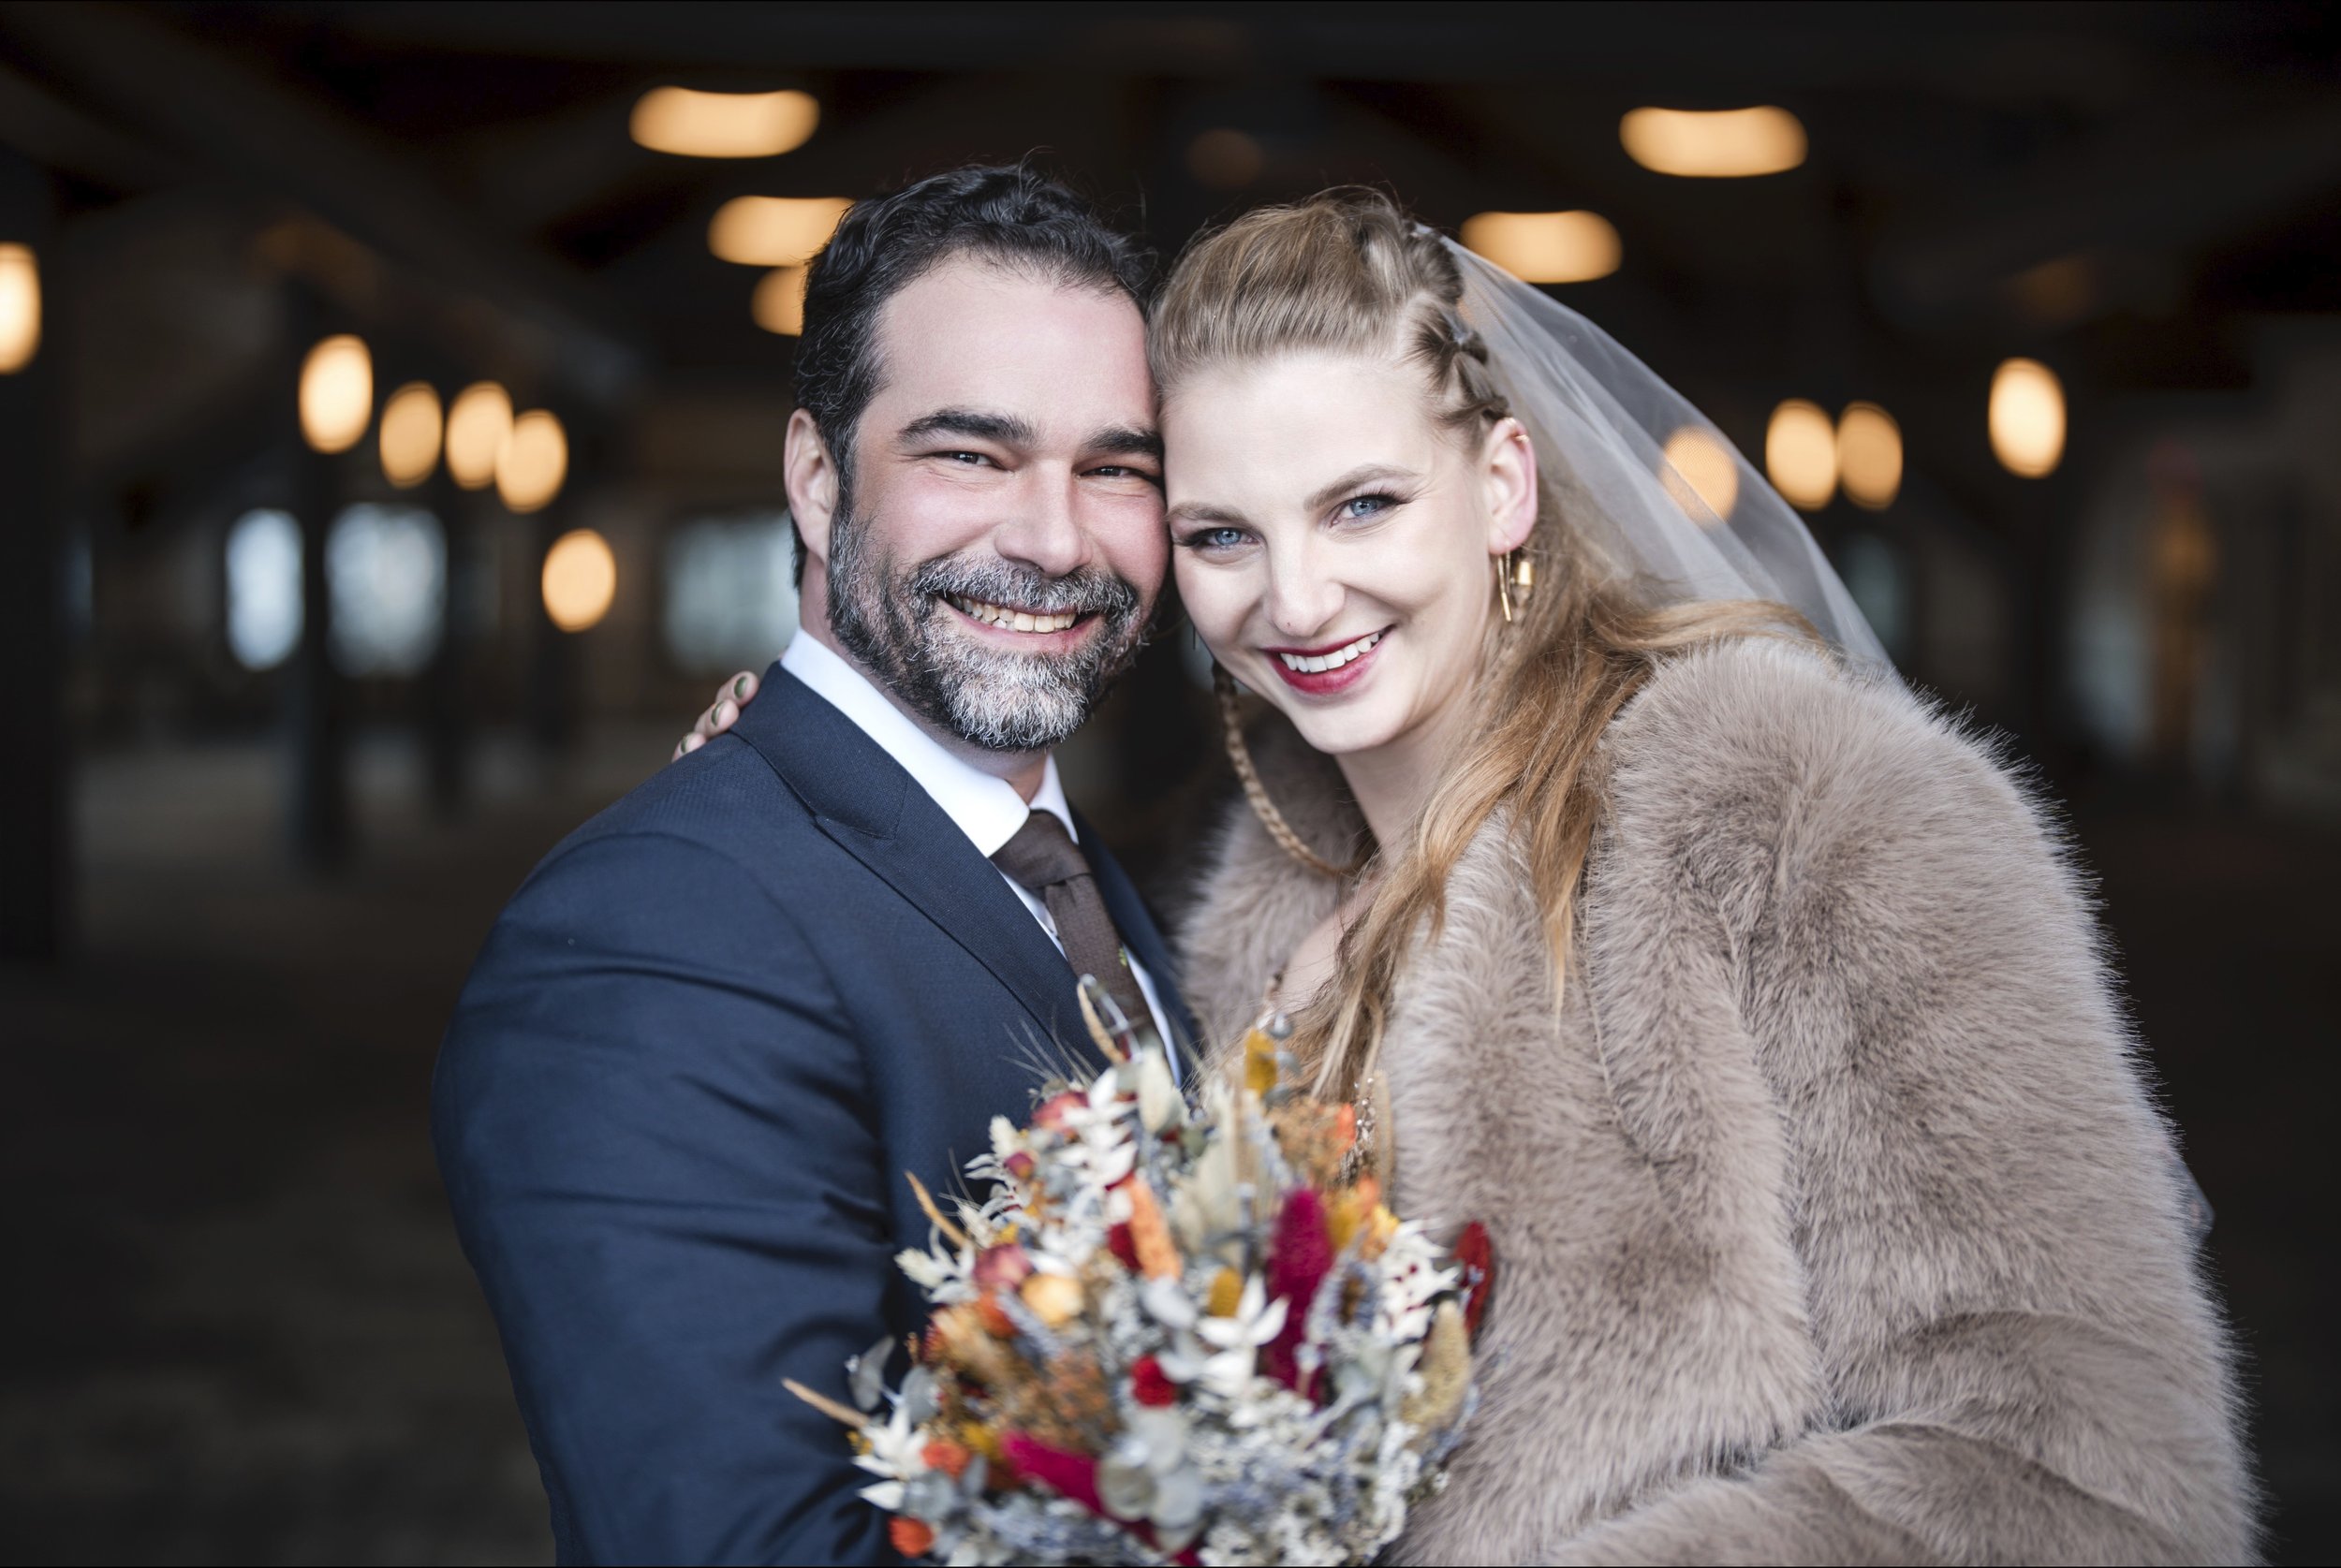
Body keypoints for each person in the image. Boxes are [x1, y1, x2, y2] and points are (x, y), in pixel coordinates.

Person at [695, 188, 2256, 1562]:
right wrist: (782, 780)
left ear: (1503, 481)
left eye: (1362, 504)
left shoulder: (1807, 815)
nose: (1297, 598)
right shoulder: (1256, 910)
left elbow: (2100, 1486)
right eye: (1223, 533)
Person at [433, 164, 1193, 1566]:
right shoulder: (650, 936)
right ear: (814, 472)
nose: (1053, 536)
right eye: (969, 454)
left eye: (1117, 467)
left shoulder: (1122, 888)